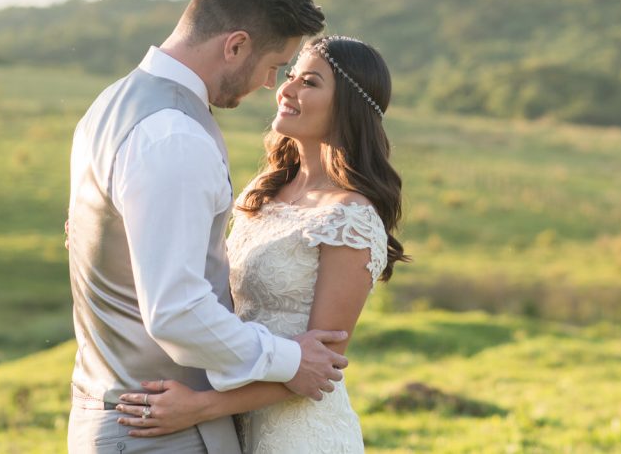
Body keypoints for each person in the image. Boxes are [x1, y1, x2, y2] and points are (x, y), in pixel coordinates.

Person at [66, 0, 352, 454]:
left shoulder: (113, 102)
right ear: (235, 45)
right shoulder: (174, 135)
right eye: (271, 66)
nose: (271, 83)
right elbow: (175, 308)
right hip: (159, 432)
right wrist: (290, 360)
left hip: (115, 412)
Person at [112, 35, 409, 453]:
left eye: (310, 82)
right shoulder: (264, 193)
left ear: (348, 107)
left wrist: (199, 408)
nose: (286, 89)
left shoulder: (350, 217)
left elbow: (323, 366)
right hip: (232, 423)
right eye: (290, 76)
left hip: (298, 434)